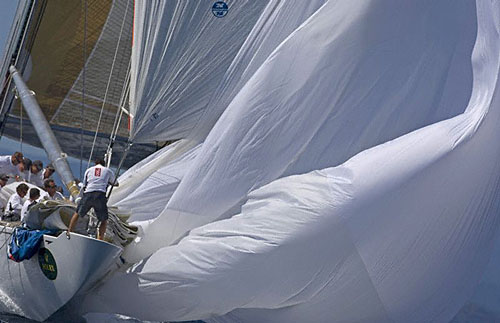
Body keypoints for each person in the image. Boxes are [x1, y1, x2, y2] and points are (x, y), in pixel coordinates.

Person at [67, 158, 118, 240]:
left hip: (89, 193)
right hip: (100, 195)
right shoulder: (108, 171)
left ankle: (69, 231)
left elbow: (84, 185)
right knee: (104, 220)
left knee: (77, 213)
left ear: (95, 163)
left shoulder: (89, 170)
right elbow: (116, 183)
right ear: (103, 164)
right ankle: (100, 239)